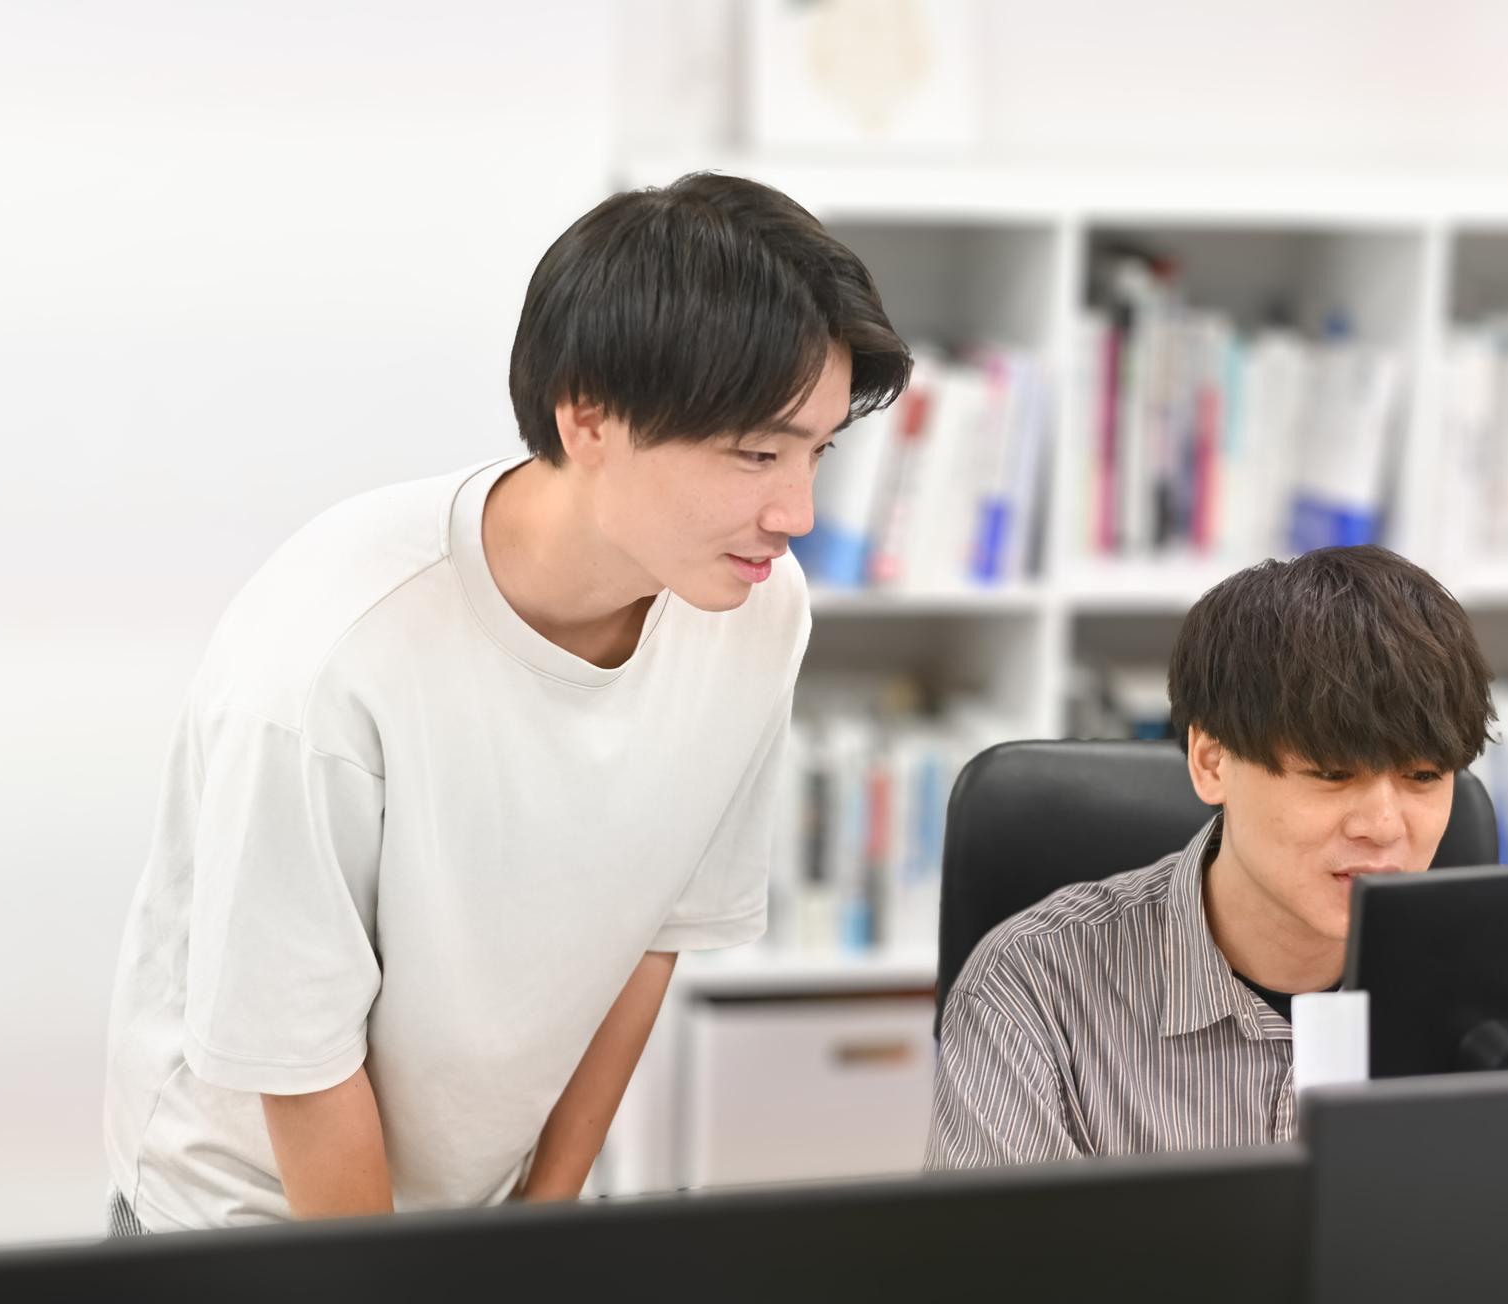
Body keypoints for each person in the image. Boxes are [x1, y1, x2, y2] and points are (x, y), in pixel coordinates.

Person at [103, 172, 910, 1232]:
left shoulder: (755, 611)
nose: (796, 512)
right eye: (757, 453)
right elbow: (297, 1056)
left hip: (471, 1216)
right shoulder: (331, 654)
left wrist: (538, 1222)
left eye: (817, 452)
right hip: (239, 1223)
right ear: (589, 416)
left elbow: (649, 937)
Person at [926, 545, 1495, 1169]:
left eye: (1423, 776)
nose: (1383, 827)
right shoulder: (1034, 988)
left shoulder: (1499, 982)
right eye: (1333, 773)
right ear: (1212, 762)